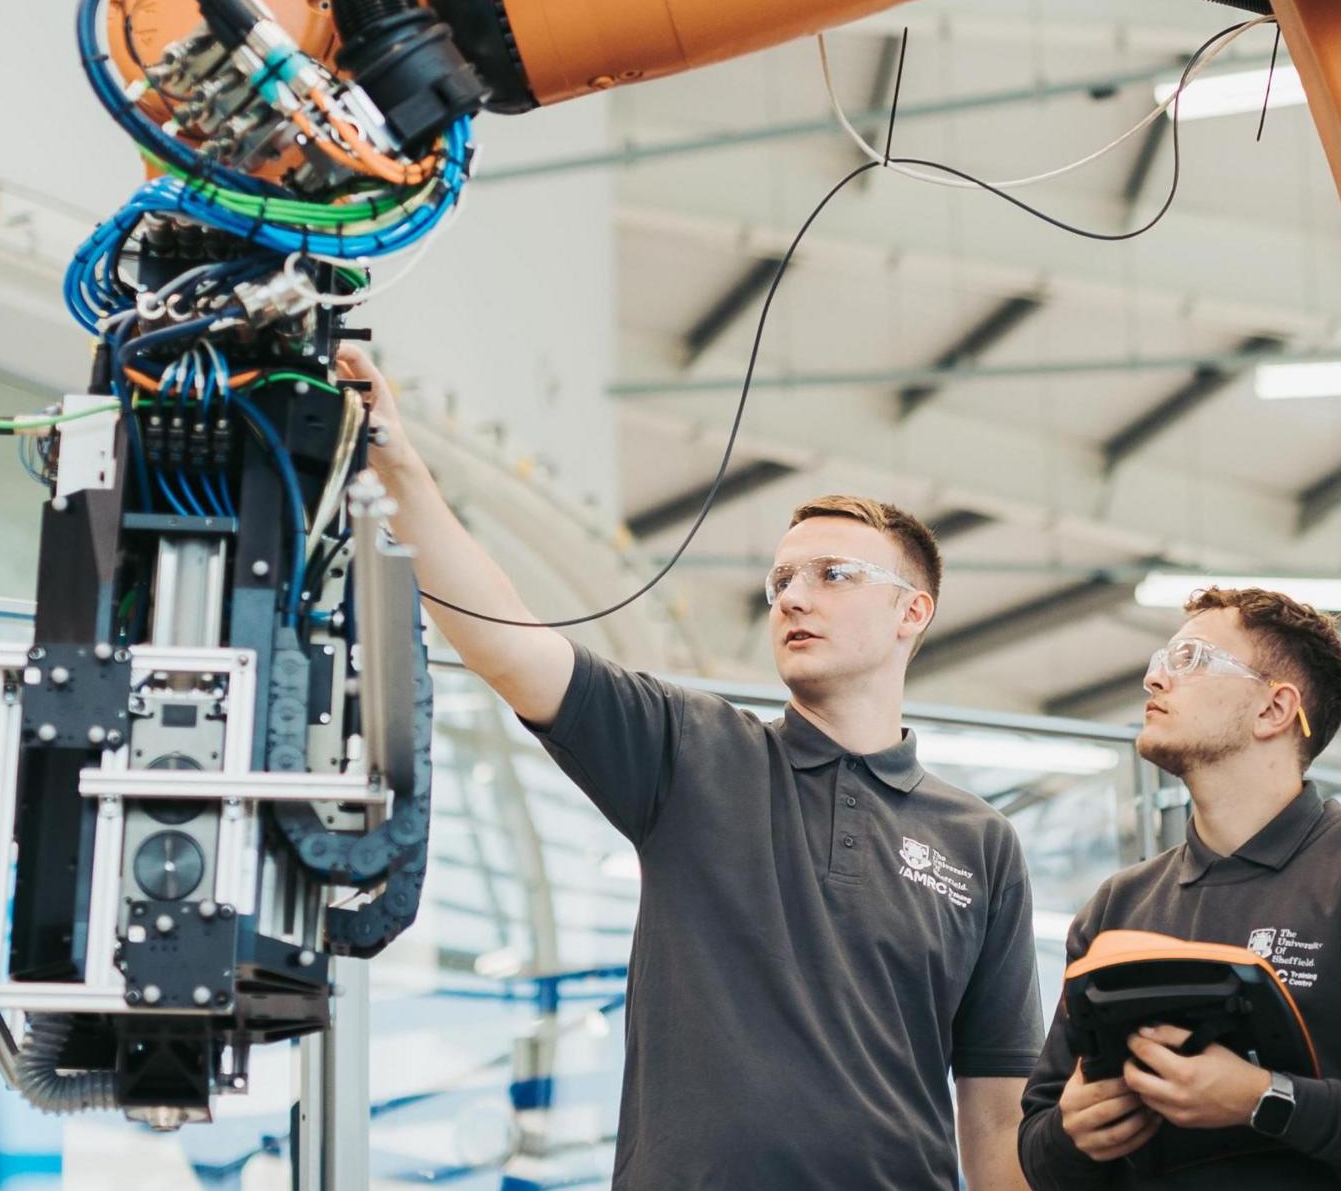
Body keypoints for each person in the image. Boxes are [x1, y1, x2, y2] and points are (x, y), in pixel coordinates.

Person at [339, 346, 1039, 1191]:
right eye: (781, 578)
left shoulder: (980, 842)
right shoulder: (689, 747)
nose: (792, 595)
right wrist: (401, 469)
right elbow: (506, 641)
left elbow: (998, 1116)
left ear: (912, 610)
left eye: (833, 574)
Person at [1018, 587, 1341, 1190]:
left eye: (1191, 660)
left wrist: (1265, 1100)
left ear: (1274, 710)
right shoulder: (1118, 907)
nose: (1155, 681)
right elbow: (1039, 1146)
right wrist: (1073, 1135)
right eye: (1160, 662)